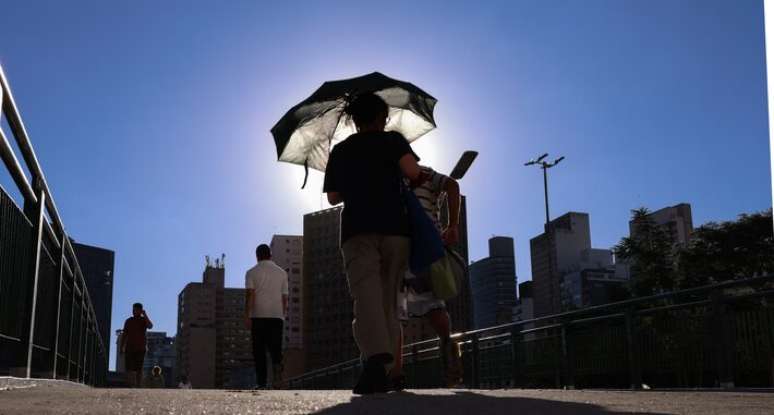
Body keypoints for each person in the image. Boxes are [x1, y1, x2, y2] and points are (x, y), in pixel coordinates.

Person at [323, 92, 421, 394]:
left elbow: (333, 196)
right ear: (382, 118)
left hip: (358, 230)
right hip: (396, 229)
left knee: (366, 296)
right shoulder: (393, 141)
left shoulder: (340, 150)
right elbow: (413, 173)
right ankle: (390, 371)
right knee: (389, 301)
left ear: (353, 120)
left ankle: (377, 359)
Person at [393, 165, 464, 389]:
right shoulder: (425, 173)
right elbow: (452, 185)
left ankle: (395, 373)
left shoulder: (387, 178)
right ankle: (450, 353)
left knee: (394, 314)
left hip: (398, 250)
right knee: (435, 307)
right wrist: (453, 225)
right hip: (427, 249)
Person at [244, 244, 288, 389]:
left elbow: (250, 295)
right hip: (276, 316)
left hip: (258, 316)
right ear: (270, 255)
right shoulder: (282, 273)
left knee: (259, 351)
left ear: (257, 256)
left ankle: (261, 383)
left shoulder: (251, 272)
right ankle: (277, 379)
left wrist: (247, 315)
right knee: (276, 349)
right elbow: (284, 298)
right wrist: (283, 314)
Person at [120, 303, 153, 388]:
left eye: (135, 310)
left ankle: (138, 386)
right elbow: (124, 334)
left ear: (140, 310)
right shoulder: (128, 321)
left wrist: (145, 315)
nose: (133, 311)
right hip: (129, 347)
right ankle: (130, 385)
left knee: (139, 368)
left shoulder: (143, 320)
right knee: (129, 368)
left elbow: (150, 326)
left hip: (140, 348)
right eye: (133, 309)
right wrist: (121, 347)